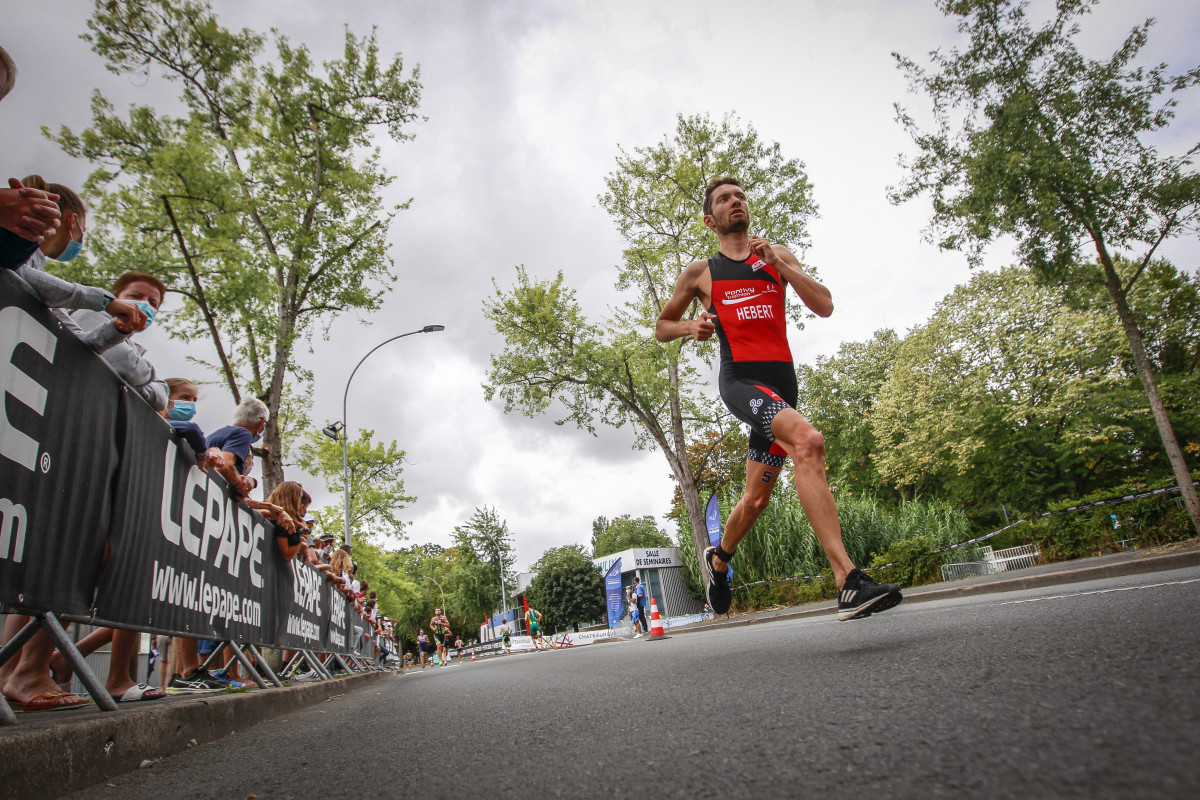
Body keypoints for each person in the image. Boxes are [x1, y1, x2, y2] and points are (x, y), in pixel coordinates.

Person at [656, 177, 903, 621]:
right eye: (724, 199)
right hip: (742, 382)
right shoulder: (700, 272)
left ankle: (719, 560)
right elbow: (661, 328)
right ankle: (847, 581)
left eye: (740, 196)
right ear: (710, 220)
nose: (735, 202)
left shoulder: (776, 255)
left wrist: (780, 265)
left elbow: (824, 305)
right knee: (809, 441)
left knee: (756, 500)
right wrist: (690, 327)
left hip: (783, 385)